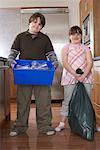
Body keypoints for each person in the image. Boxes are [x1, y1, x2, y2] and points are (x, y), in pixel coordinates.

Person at [8, 12, 58, 136]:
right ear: (30, 22)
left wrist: (55, 61)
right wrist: (10, 59)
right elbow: (13, 52)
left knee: (43, 100)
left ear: (42, 27)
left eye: (40, 24)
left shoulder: (45, 38)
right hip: (24, 72)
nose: (37, 25)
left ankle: (45, 126)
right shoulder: (20, 37)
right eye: (35, 22)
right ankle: (20, 126)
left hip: (41, 72)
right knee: (22, 100)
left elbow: (51, 54)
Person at [55, 25, 95, 132]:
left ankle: (90, 124)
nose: (76, 36)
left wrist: (83, 75)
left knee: (87, 100)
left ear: (81, 36)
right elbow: (65, 63)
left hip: (85, 77)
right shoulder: (65, 48)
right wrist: (76, 75)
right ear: (69, 36)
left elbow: (90, 62)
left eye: (78, 33)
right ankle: (62, 123)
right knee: (68, 100)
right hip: (69, 77)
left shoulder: (86, 48)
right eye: (73, 33)